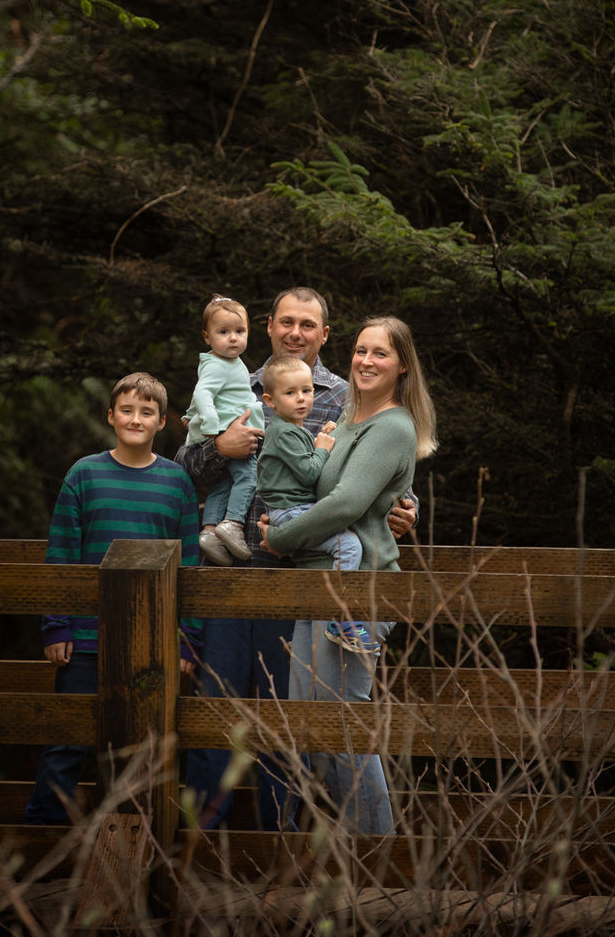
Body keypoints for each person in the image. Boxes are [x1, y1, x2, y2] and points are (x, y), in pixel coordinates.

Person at [180, 287, 418, 830]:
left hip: (306, 574)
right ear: (268, 326)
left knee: (296, 723)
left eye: (307, 325)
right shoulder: (235, 377)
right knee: (219, 710)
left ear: (325, 334)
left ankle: (282, 841)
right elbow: (184, 467)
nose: (295, 332)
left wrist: (408, 511)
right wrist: (220, 450)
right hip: (232, 570)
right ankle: (201, 845)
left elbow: (380, 475)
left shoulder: (346, 395)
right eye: (286, 322)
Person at [262, 315, 437, 835]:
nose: (365, 361)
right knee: (309, 724)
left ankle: (380, 857)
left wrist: (281, 537)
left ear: (402, 365)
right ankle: (354, 846)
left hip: (362, 591)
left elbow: (348, 503)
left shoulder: (393, 425)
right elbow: (317, 485)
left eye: (380, 353)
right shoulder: (343, 414)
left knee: (341, 726)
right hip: (319, 584)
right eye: (361, 350)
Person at [24, 372, 201, 825]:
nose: (135, 419)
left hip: (153, 642)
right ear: (110, 415)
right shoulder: (84, 474)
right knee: (68, 741)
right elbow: (61, 552)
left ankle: (133, 845)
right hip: (84, 637)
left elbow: (190, 568)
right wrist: (57, 624)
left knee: (144, 746)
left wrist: (185, 641)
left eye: (146, 412)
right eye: (126, 410)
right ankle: (42, 840)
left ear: (163, 422)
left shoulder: (177, 482)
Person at [257, 354, 378, 655]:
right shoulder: (283, 431)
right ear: (269, 401)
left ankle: (328, 621)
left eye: (307, 391)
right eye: (290, 393)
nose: (301, 399)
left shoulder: (291, 429)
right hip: (291, 513)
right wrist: (323, 448)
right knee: (349, 546)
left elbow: (302, 460)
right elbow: (310, 472)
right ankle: (341, 619)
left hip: (293, 510)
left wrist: (319, 439)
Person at [184, 295, 266, 566]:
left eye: (239, 331)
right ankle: (232, 523)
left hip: (226, 428)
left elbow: (214, 394)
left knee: (224, 483)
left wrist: (191, 415)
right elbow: (203, 391)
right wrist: (207, 424)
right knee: (248, 478)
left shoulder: (226, 363)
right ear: (207, 337)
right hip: (229, 432)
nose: (233, 338)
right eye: (224, 332)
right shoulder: (220, 364)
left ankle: (209, 531)